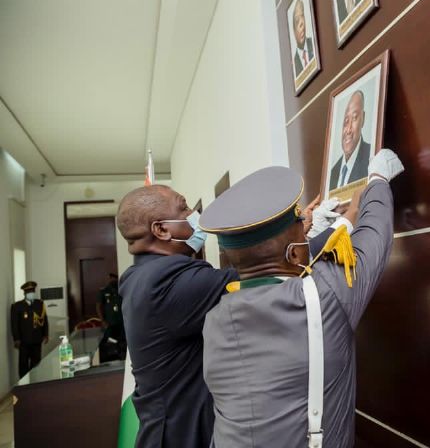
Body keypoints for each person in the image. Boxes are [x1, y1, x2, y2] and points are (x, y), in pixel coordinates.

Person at [116, 184, 350, 447]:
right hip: (181, 435)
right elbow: (262, 271)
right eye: (184, 208)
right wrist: (340, 226)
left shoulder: (145, 275)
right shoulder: (164, 282)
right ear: (161, 229)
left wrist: (297, 229)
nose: (194, 214)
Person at [201, 149, 403, 447]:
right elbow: (373, 237)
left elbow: (296, 265)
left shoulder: (215, 319)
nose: (307, 228)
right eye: (302, 226)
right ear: (295, 252)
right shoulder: (323, 296)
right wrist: (377, 179)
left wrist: (337, 224)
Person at [329, 90, 372, 189]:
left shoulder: (372, 158)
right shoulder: (332, 173)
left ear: (363, 118)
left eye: (354, 118)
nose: (348, 129)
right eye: (346, 121)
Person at [10, 281, 49, 378]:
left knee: (36, 364)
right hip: (24, 342)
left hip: (37, 340)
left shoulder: (39, 304)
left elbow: (44, 320)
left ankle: (35, 384)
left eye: (32, 291)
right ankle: (23, 385)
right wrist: (16, 339)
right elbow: (14, 324)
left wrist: (46, 334)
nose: (31, 293)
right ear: (24, 293)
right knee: (23, 365)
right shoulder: (17, 306)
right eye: (29, 291)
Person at [292, 0, 315, 78]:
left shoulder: (314, 44)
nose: (301, 25)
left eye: (302, 17)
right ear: (294, 31)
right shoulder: (294, 63)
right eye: (297, 21)